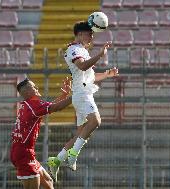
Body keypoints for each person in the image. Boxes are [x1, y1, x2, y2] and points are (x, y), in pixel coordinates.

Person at [47, 21, 119, 182]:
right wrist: (100, 55)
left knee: (81, 133)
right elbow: (82, 66)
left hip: (84, 92)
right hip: (81, 94)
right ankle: (73, 155)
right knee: (96, 121)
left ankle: (57, 159)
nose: (92, 36)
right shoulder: (73, 49)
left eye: (92, 34)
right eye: (89, 33)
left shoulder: (82, 50)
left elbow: (91, 76)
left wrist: (108, 74)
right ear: (79, 34)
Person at [10, 77, 72, 189]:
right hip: (24, 154)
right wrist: (78, 95)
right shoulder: (33, 105)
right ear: (28, 92)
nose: (37, 88)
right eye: (34, 87)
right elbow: (56, 107)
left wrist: (64, 96)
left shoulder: (29, 105)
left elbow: (50, 107)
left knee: (48, 181)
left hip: (24, 152)